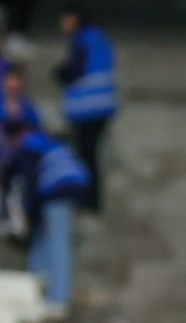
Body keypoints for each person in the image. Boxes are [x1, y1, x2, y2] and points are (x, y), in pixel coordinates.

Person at [3, 124, 91, 307]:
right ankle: (40, 286)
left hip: (59, 191)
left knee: (57, 244)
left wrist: (31, 213)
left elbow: (31, 182)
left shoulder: (27, 146)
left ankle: (58, 298)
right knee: (47, 239)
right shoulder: (47, 143)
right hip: (78, 187)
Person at [55, 2, 116, 211]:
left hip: (88, 109)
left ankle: (88, 200)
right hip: (103, 107)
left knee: (85, 156)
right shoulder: (98, 37)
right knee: (91, 156)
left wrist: (60, 72)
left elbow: (74, 70)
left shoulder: (82, 39)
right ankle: (92, 199)